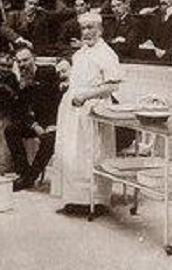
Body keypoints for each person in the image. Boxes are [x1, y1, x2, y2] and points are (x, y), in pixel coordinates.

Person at [52, 12, 122, 216]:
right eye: (84, 28)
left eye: (91, 27)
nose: (87, 32)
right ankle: (74, 199)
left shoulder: (107, 54)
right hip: (73, 110)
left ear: (100, 30)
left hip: (94, 110)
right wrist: (69, 85)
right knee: (71, 153)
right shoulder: (80, 53)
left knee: (91, 154)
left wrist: (85, 95)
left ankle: (95, 202)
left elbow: (112, 86)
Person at [6, 46, 61, 191]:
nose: (22, 64)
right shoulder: (20, 80)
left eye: (25, 60)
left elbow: (57, 100)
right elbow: (21, 110)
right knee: (11, 130)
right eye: (19, 61)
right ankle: (24, 172)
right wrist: (34, 125)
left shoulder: (48, 72)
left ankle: (30, 177)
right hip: (35, 123)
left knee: (49, 140)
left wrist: (53, 124)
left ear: (34, 59)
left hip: (54, 121)